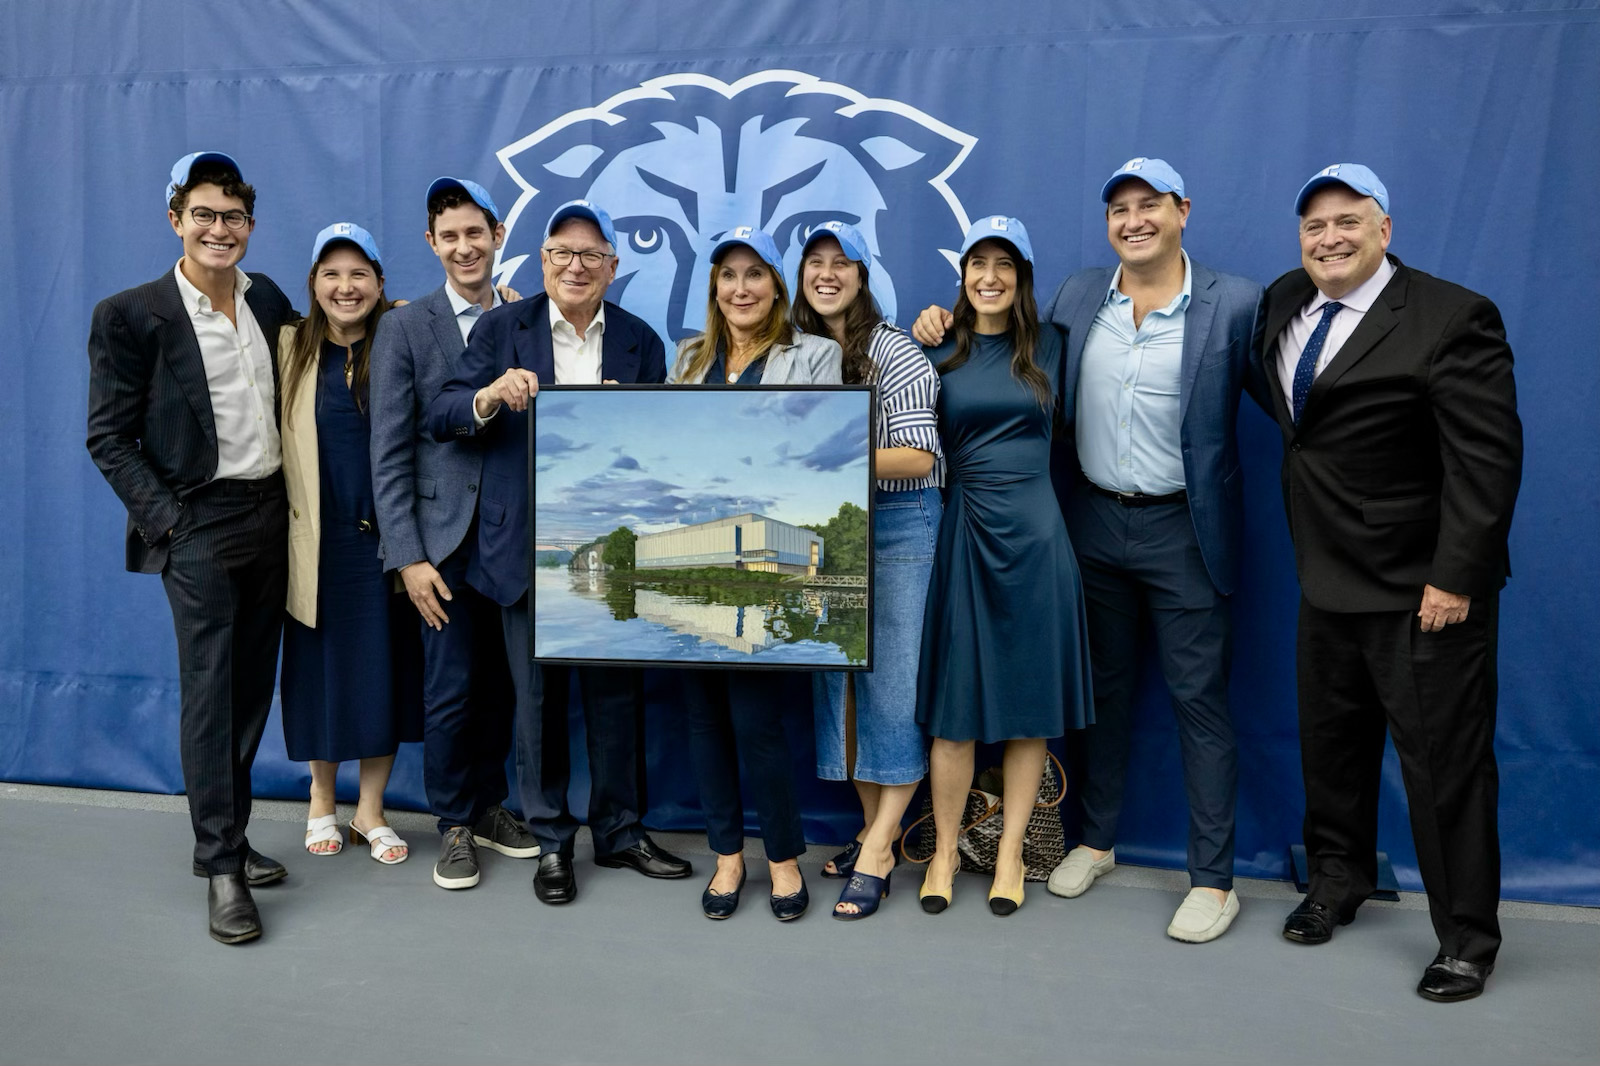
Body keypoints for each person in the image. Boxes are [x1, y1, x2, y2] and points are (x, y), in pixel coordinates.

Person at [914, 157, 1264, 942]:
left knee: (1198, 701)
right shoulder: (1080, 300)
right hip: (1093, 523)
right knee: (1102, 697)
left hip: (1181, 527)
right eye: (1119, 209)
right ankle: (1095, 841)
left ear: (1182, 210)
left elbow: (1291, 399)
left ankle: (1213, 881)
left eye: (1149, 205)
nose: (1133, 220)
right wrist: (935, 323)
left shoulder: (1235, 303)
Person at [1256, 164, 1522, 1002]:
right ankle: (1339, 881)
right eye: (1313, 226)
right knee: (1332, 748)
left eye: (1347, 222)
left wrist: (1456, 578)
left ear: (1384, 229)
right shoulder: (1282, 303)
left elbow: (1487, 461)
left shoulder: (1452, 317)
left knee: (1444, 768)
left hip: (1422, 592)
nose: (1328, 239)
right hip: (1324, 574)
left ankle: (1466, 940)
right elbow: (1305, 423)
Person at [428, 200, 692, 905]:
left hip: (606, 549)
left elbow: (665, 446)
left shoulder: (639, 341)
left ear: (612, 266)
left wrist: (628, 421)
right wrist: (489, 394)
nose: (575, 266)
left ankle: (621, 830)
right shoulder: (500, 328)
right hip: (524, 550)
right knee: (535, 705)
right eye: (561, 254)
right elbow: (445, 411)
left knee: (615, 698)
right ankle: (550, 840)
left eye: (590, 256)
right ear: (542, 262)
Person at [86, 151, 295, 944]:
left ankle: (231, 836)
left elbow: (325, 355)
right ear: (176, 219)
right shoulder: (130, 314)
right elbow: (107, 436)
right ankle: (222, 869)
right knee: (210, 693)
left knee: (249, 690)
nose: (219, 229)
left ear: (249, 226)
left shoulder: (267, 297)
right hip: (196, 524)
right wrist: (169, 522)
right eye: (204, 214)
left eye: (233, 217)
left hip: (271, 516)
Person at [913, 216, 1094, 917]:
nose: (989, 276)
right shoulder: (937, 344)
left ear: (1021, 275)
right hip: (966, 531)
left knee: (1028, 709)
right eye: (976, 263)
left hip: (1039, 538)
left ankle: (1013, 850)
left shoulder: (1057, 345)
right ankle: (948, 849)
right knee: (955, 716)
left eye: (1004, 264)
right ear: (961, 274)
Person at [669, 226, 844, 921]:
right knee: (703, 718)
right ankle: (726, 857)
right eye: (728, 275)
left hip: (764, 560)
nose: (741, 288)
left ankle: (780, 858)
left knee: (757, 722)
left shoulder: (815, 354)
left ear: (776, 284)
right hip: (703, 550)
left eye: (754, 274)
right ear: (713, 287)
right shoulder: (688, 357)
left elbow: (812, 455)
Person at [370, 177, 537, 890]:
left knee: (504, 685)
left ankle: (494, 806)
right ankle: (455, 824)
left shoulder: (532, 317)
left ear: (498, 236)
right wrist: (407, 556)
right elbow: (389, 448)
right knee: (450, 690)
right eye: (450, 236)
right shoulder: (405, 326)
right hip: (441, 540)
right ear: (433, 245)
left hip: (515, 534)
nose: (465, 247)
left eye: (476, 232)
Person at [794, 222, 943, 920]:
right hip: (829, 531)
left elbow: (918, 457)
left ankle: (882, 844)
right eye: (813, 263)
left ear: (862, 275)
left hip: (898, 526)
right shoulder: (799, 353)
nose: (827, 274)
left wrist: (821, 464)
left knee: (892, 686)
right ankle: (872, 827)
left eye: (841, 263)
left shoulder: (897, 352)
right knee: (840, 685)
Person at [277, 223, 423, 864]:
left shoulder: (403, 340)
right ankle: (319, 799)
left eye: (359, 274)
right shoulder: (287, 346)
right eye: (331, 274)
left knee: (381, 674)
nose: (345, 286)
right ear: (313, 283)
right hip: (315, 543)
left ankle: (370, 809)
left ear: (381, 283)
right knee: (319, 674)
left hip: (386, 541)